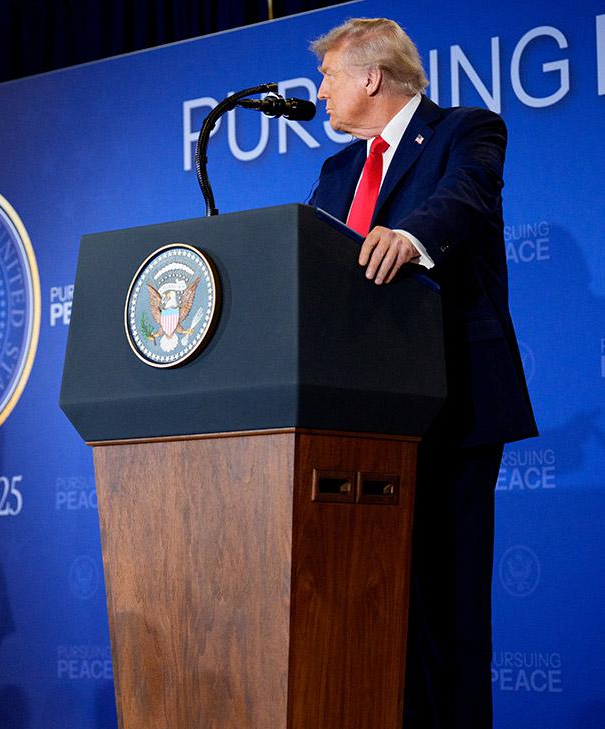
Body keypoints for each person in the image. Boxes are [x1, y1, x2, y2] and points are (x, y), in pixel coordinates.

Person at [307, 18, 538, 729]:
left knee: (452, 609)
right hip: (356, 421)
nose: (321, 93)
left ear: (371, 76)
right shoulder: (338, 171)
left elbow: (465, 197)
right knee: (379, 615)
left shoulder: (466, 131)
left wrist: (410, 237)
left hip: (451, 404)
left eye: (329, 77)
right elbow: (312, 264)